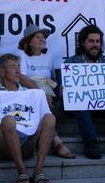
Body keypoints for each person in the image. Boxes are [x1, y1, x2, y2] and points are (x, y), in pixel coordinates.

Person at [0, 54, 55, 183]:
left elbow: (42, 112)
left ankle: (38, 171)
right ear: (2, 72)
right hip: (2, 144)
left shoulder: (30, 93)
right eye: (13, 67)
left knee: (50, 118)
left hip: (28, 144)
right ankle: (22, 172)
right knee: (9, 120)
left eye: (19, 67)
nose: (18, 71)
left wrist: (39, 93)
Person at [63, 24, 105, 159]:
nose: (95, 45)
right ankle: (91, 143)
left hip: (102, 106)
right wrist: (63, 91)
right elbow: (62, 90)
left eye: (98, 41)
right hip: (81, 108)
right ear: (82, 42)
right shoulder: (71, 63)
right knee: (80, 103)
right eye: (91, 41)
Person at [16, 24, 74, 159]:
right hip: (30, 92)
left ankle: (42, 134)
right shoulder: (21, 54)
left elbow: (52, 78)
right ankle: (57, 142)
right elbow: (21, 77)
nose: (43, 40)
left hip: (48, 92)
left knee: (60, 102)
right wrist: (40, 92)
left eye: (43, 37)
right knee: (43, 105)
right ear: (29, 41)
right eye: (38, 37)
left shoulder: (48, 55)